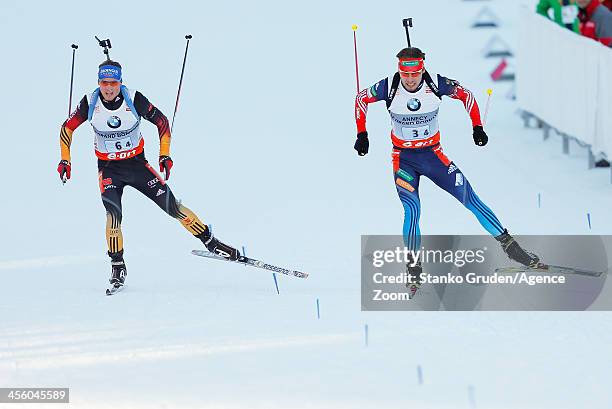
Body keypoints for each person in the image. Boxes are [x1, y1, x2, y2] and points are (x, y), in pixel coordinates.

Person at [353, 47, 540, 298]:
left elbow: (468, 96)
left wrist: (477, 127)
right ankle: (413, 266)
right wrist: (362, 134)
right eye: (405, 74)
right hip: (404, 160)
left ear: (423, 69)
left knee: (470, 199)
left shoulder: (436, 83)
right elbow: (360, 99)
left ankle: (512, 248)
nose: (410, 79)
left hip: (434, 157)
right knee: (412, 210)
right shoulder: (388, 87)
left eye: (415, 74)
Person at [58, 60, 240, 290]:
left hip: (137, 166)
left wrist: (165, 155)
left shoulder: (133, 98)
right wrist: (65, 159)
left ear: (120, 82)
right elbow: (67, 128)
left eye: (113, 82)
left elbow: (162, 122)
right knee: (113, 217)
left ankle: (211, 242)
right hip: (109, 169)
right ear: (99, 83)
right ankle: (117, 266)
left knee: (172, 206)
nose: (109, 88)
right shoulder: (90, 102)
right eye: (104, 83)